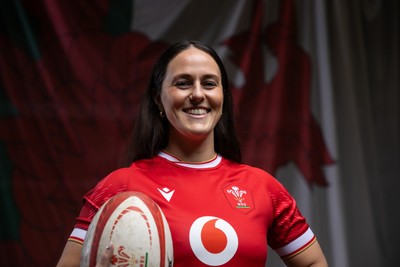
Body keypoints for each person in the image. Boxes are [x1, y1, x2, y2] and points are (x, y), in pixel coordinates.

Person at [57, 40, 328, 266]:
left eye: (209, 83)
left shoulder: (261, 187)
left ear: (223, 96)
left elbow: (314, 262)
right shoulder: (120, 187)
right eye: (183, 83)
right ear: (157, 98)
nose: (198, 94)